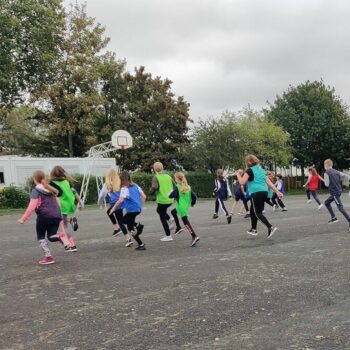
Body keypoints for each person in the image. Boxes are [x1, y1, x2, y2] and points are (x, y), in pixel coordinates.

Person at [18, 170, 71, 265]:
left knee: (41, 236)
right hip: (56, 216)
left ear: (35, 180)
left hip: (44, 216)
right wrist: (61, 216)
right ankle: (60, 236)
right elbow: (58, 204)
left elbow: (32, 206)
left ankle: (49, 258)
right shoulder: (51, 189)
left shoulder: (36, 190)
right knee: (51, 236)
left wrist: (23, 218)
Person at [236, 155, 282, 238]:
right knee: (252, 210)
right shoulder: (261, 170)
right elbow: (269, 183)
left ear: (248, 162)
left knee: (258, 213)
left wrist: (238, 175)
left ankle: (270, 227)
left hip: (256, 193)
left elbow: (242, 182)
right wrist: (276, 191)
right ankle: (253, 229)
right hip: (264, 192)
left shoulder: (249, 170)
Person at [110, 171, 147, 250]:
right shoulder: (136, 186)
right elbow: (144, 196)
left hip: (131, 210)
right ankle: (141, 244)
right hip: (137, 209)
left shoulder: (124, 189)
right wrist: (140, 205)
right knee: (130, 227)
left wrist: (113, 208)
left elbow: (120, 200)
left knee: (123, 221)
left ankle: (138, 226)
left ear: (121, 180)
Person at [98, 169, 133, 247]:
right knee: (109, 212)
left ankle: (128, 238)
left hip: (115, 204)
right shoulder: (120, 181)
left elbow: (101, 196)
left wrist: (100, 204)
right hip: (121, 203)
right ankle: (116, 229)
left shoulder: (107, 184)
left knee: (120, 221)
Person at [50, 166, 82, 252]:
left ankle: (71, 245)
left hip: (60, 207)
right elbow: (74, 192)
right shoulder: (67, 182)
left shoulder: (52, 183)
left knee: (63, 228)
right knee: (63, 222)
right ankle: (71, 220)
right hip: (68, 206)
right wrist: (80, 203)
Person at [169, 172, 200, 246]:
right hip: (185, 206)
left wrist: (170, 192)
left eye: (175, 178)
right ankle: (178, 227)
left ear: (176, 179)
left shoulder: (177, 187)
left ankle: (194, 236)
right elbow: (194, 196)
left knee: (186, 223)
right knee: (173, 212)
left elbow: (170, 196)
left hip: (180, 207)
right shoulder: (188, 187)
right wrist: (192, 203)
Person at [150, 162, 176, 241]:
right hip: (170, 199)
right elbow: (175, 186)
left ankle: (168, 236)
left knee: (162, 218)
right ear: (162, 168)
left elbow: (154, 187)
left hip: (162, 200)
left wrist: (150, 192)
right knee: (159, 210)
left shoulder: (156, 177)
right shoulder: (168, 176)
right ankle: (170, 219)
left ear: (154, 169)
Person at [323, 159, 350, 229]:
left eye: (324, 165)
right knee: (326, 203)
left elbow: (326, 184)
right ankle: (334, 217)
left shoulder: (326, 173)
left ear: (326, 165)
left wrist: (325, 180)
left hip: (335, 193)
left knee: (340, 208)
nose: (324, 166)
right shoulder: (336, 171)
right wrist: (345, 183)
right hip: (338, 191)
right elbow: (345, 176)